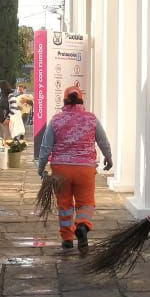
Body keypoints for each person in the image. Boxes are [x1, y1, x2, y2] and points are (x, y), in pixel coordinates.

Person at [35, 85, 112, 252]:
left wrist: (41, 168)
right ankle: (82, 226)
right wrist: (109, 157)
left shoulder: (56, 120)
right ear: (81, 101)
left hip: (61, 170)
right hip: (85, 169)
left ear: (64, 101)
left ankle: (67, 239)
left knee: (64, 205)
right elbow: (103, 141)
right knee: (86, 203)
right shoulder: (91, 119)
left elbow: (46, 147)